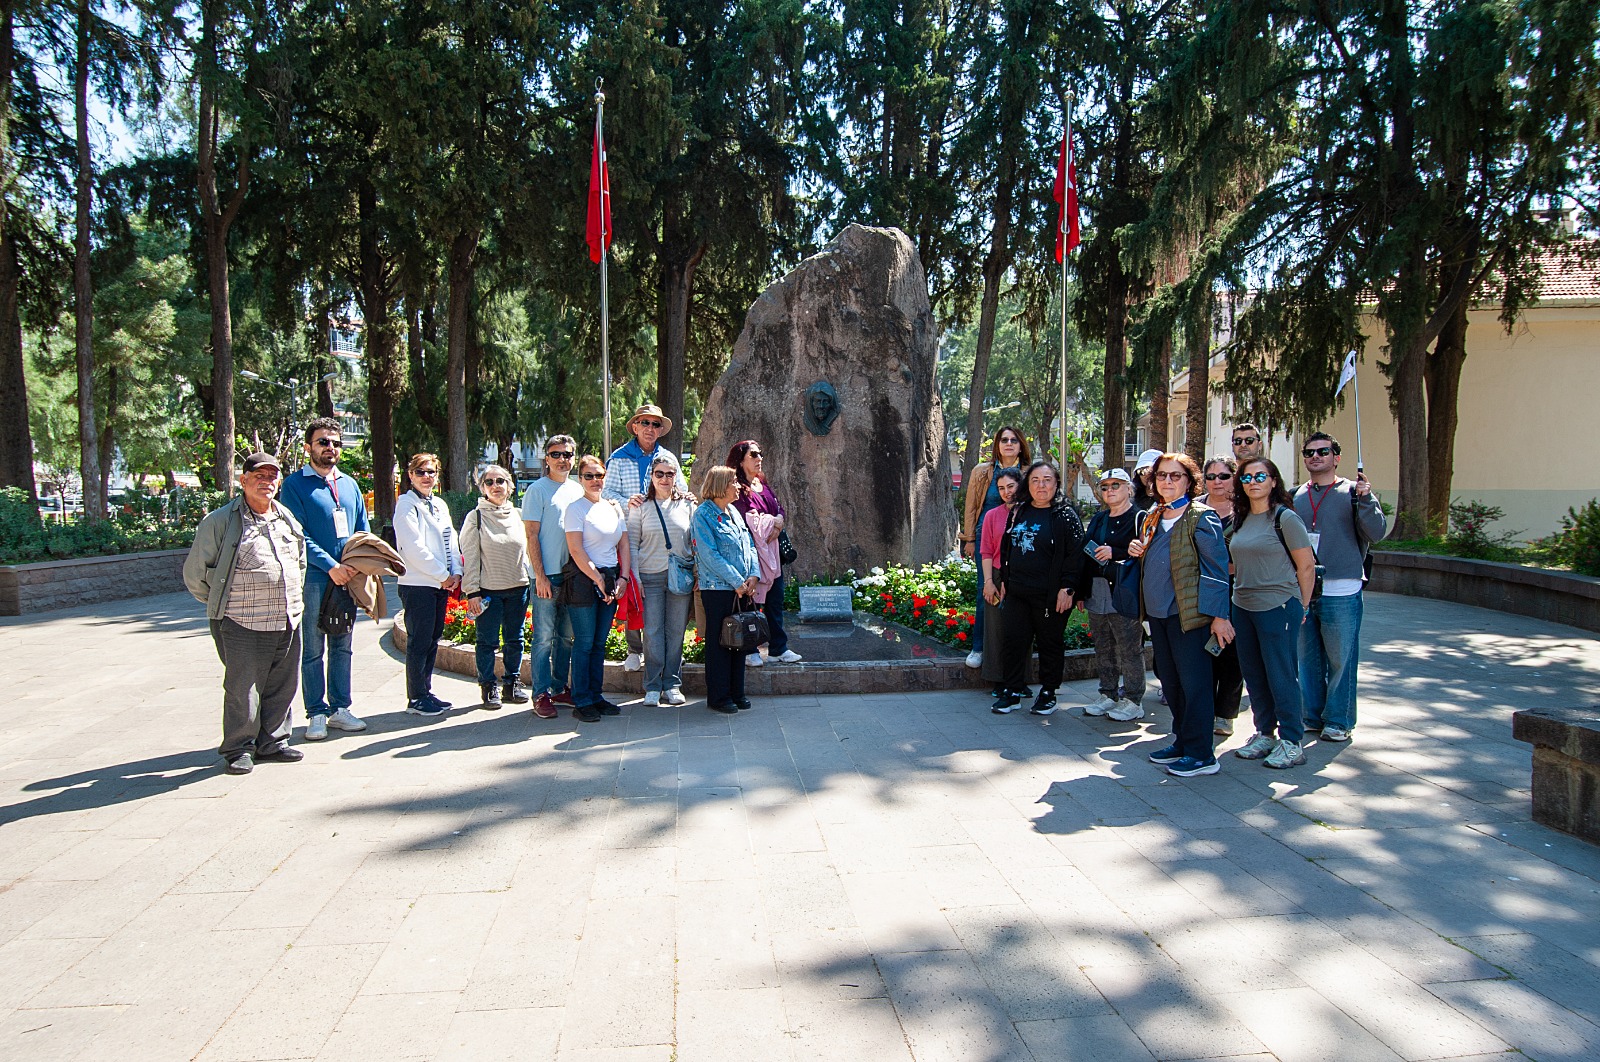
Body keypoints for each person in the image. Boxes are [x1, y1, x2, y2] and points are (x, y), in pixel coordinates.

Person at [183, 452, 308, 775]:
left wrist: (292, 596)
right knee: (242, 688)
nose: (266, 482)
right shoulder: (220, 521)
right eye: (259, 476)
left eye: (272, 476)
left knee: (283, 683)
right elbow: (196, 573)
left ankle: (273, 741)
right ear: (244, 480)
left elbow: (300, 561)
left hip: (287, 617)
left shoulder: (285, 517)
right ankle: (239, 748)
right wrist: (222, 606)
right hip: (241, 621)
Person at [1126, 453, 1233, 777]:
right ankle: (1183, 741)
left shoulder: (1203, 516)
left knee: (1195, 685)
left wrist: (1219, 617)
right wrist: (1137, 550)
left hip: (1190, 617)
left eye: (1175, 476)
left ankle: (1202, 754)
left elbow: (1216, 571)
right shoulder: (1154, 515)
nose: (1168, 481)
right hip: (1158, 616)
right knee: (1171, 684)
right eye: (1162, 476)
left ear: (1189, 481)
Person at [1292, 431, 1388, 742]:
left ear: (1336, 457)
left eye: (1323, 451)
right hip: (1304, 589)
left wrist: (1366, 500)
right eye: (1309, 452)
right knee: (1307, 659)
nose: (1315, 457)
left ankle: (1338, 719)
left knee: (1340, 658)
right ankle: (1312, 715)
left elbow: (1377, 533)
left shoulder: (1353, 492)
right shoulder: (1295, 496)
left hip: (1341, 588)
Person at [279, 417, 370, 742]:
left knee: (343, 646)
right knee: (314, 647)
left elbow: (362, 528)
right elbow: (297, 533)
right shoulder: (294, 485)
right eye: (322, 442)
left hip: (348, 577)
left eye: (335, 442)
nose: (330, 448)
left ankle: (341, 709)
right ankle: (316, 712)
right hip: (316, 578)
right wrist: (331, 565)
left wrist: (359, 564)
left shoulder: (349, 484)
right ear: (308, 447)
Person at [1229, 457, 1318, 769]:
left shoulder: (1286, 518)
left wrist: (1302, 606)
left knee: (1281, 675)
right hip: (1243, 606)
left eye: (1260, 476)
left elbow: (1306, 566)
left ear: (1273, 481)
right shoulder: (1239, 519)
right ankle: (1264, 733)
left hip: (1277, 606)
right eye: (1246, 477)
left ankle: (1292, 741)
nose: (1253, 482)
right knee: (1254, 674)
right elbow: (1234, 563)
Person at [991, 461, 1090, 717]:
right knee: (1013, 641)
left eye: (1047, 479)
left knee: (1050, 643)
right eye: (1035, 480)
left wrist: (1068, 588)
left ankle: (1048, 692)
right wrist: (1004, 580)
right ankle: (1012, 691)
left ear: (1056, 483)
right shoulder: (1020, 511)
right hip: (1017, 592)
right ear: (1028, 484)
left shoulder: (1065, 514)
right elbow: (1007, 546)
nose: (1041, 485)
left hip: (1050, 595)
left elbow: (1076, 556)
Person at [603, 404, 688, 672]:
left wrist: (687, 497)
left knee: (660, 599)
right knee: (633, 590)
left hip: (658, 533)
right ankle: (633, 648)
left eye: (655, 424)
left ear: (660, 430)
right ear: (636, 426)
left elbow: (681, 488)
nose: (650, 428)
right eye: (646, 423)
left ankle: (665, 652)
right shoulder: (618, 458)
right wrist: (626, 501)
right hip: (627, 531)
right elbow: (606, 493)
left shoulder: (668, 458)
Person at [394, 453, 463, 718]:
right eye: (420, 472)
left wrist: (455, 572)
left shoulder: (440, 504)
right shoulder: (406, 505)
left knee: (433, 639)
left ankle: (426, 690)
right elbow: (413, 548)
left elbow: (451, 541)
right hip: (418, 584)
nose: (426, 477)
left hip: (440, 584)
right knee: (419, 641)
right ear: (410, 475)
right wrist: (441, 575)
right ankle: (416, 697)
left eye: (431, 472)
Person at [565, 455, 631, 723]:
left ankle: (596, 695)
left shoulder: (613, 507)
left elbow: (624, 545)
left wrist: (623, 578)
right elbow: (576, 549)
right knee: (584, 643)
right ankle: (581, 699)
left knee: (599, 644)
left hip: (611, 578)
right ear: (580, 479)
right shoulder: (575, 508)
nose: (595, 480)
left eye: (599, 475)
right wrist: (597, 579)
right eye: (589, 476)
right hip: (584, 580)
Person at [691, 465, 761, 715]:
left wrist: (753, 575)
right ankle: (719, 696)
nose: (739, 486)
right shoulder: (703, 515)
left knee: (740, 641)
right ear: (720, 485)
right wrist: (737, 582)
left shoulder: (733, 511)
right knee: (720, 642)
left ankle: (737, 692)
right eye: (734, 481)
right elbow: (709, 555)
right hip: (718, 589)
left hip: (742, 588)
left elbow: (750, 545)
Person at [460, 464, 531, 710]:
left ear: (510, 486)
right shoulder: (476, 517)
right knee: (487, 641)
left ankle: (512, 683)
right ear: (482, 488)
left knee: (516, 640)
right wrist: (473, 592)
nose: (495, 486)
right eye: (489, 482)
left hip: (518, 589)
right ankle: (488, 686)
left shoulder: (520, 515)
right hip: (489, 592)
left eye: (500, 481)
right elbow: (470, 557)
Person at [627, 455, 696, 706]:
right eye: (659, 474)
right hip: (650, 575)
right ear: (652, 477)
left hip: (680, 577)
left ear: (676, 476)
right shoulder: (640, 506)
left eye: (670, 474)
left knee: (676, 631)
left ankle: (673, 683)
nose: (665, 479)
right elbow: (633, 545)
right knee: (653, 632)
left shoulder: (687, 506)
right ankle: (653, 685)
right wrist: (636, 577)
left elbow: (694, 543)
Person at [960, 426, 1031, 670]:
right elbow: (971, 507)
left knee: (1020, 591)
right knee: (986, 589)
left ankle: (1018, 649)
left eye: (1014, 440)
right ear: (997, 445)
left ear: (1021, 445)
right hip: (985, 537)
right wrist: (969, 539)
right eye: (1004, 440)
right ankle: (979, 647)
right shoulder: (982, 472)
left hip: (1019, 538)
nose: (1009, 443)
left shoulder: (1030, 473)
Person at [523, 435, 581, 720]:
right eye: (556, 454)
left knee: (566, 637)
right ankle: (541, 693)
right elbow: (531, 535)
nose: (562, 459)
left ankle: (559, 687)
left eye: (567, 454)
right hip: (547, 577)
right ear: (546, 458)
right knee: (544, 637)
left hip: (572, 577)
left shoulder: (578, 489)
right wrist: (540, 576)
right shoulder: (537, 490)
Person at [729, 439, 802, 667]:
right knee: (751, 603)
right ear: (740, 461)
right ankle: (750, 649)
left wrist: (778, 522)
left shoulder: (762, 483)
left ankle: (778, 648)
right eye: (754, 455)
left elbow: (778, 507)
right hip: (751, 556)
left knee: (775, 602)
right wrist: (773, 522)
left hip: (773, 556)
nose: (759, 458)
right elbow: (748, 519)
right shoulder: (737, 488)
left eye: (760, 454)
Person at [1080, 468, 1146, 721]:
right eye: (1105, 486)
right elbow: (1085, 550)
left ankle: (1133, 699)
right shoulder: (1099, 518)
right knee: (1103, 645)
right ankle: (1108, 693)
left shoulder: (1140, 517)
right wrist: (1080, 591)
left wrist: (1116, 551)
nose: (1110, 490)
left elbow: (1145, 552)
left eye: (1116, 485)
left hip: (1125, 590)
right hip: (1097, 589)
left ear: (1129, 488)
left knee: (1130, 647)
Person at [1202, 456, 1245, 736]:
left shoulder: (1246, 511)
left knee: (1230, 655)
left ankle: (1225, 713)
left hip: (1234, 589)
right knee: (1200, 653)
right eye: (1211, 476)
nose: (1217, 481)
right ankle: (1202, 708)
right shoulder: (1191, 509)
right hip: (1197, 590)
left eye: (1224, 476)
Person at [978, 467, 1025, 696]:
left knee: (1023, 629)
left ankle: (1020, 679)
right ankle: (998, 678)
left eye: (1011, 486)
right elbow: (986, 550)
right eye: (1001, 488)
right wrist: (988, 581)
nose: (1007, 492)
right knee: (996, 629)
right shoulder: (992, 515)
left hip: (1023, 576)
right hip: (996, 574)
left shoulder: (1030, 513)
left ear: (1020, 485)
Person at [1132, 448, 1163, 513]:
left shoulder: (1171, 497)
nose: (1146, 475)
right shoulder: (1131, 498)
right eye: (1141, 471)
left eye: (1151, 471)